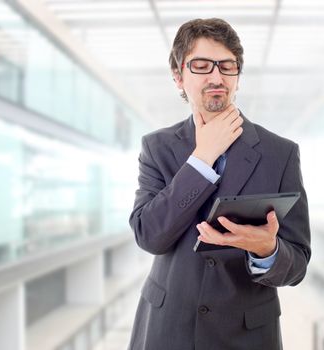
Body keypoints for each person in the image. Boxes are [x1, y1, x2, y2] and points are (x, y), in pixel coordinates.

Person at [128, 18, 311, 350]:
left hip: (247, 335)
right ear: (178, 76)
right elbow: (149, 235)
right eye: (201, 66)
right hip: (167, 329)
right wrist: (201, 158)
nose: (216, 76)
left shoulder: (281, 153)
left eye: (227, 66)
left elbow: (297, 263)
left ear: (237, 78)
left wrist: (266, 250)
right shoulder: (157, 147)